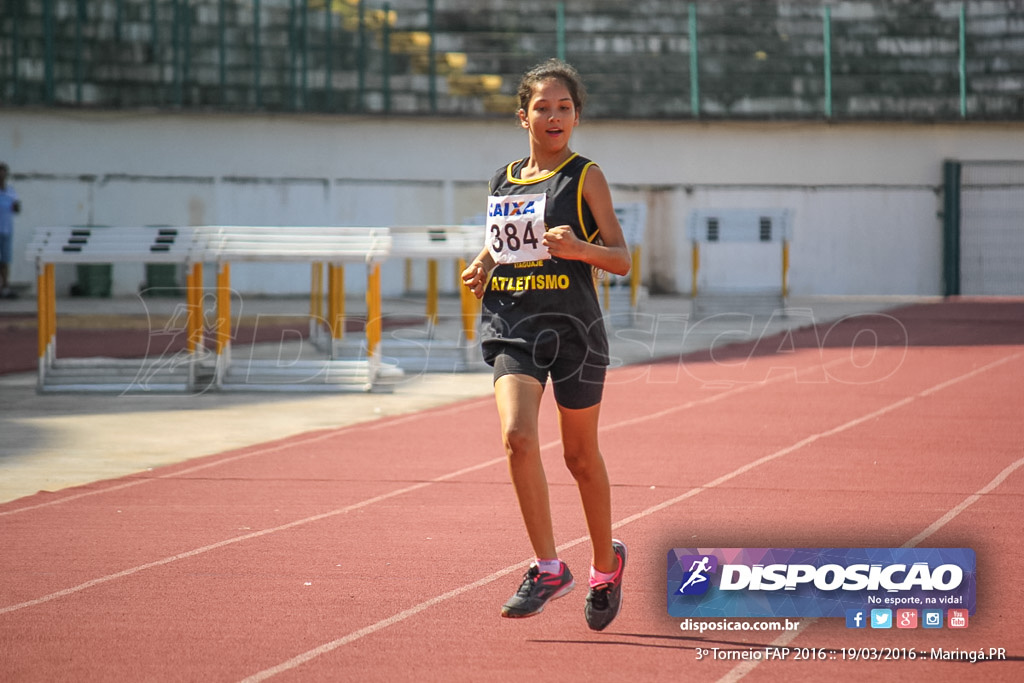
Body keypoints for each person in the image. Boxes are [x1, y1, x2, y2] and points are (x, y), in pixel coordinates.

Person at [461, 59, 631, 631]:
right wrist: (481, 265)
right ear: (523, 116)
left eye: (564, 107)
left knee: (580, 458)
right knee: (516, 437)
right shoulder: (502, 179)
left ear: (576, 116)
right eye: (542, 107)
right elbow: (502, 242)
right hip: (513, 324)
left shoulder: (586, 177)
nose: (553, 116)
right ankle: (547, 566)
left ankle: (606, 567)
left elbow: (621, 259)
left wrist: (581, 248)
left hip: (576, 329)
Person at [0, 162, 21, 299]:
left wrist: (16, 205)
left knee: (5, 260)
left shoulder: (11, 191)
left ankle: (5, 286)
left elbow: (17, 209)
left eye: (3, 172)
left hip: (6, 230)